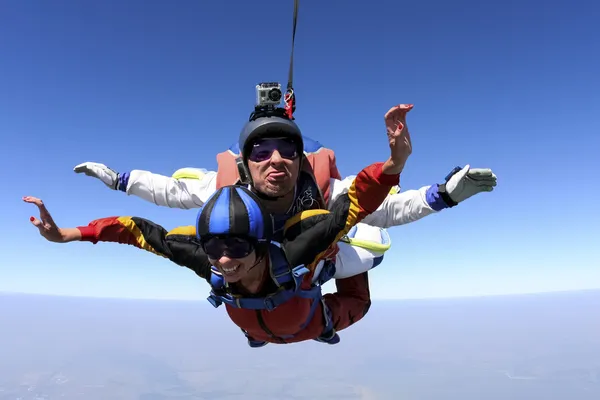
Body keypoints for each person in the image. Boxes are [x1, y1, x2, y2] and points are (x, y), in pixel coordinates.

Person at [23, 112, 411, 346]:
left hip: (310, 320)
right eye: (213, 247)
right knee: (268, 323)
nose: (224, 260)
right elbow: (136, 230)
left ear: (261, 244)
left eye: (238, 248)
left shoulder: (296, 250)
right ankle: (260, 335)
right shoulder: (205, 258)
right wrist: (68, 235)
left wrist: (394, 164)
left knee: (357, 290)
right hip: (268, 322)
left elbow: (355, 202)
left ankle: (313, 329)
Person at [72, 104, 498, 278]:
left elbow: (385, 207)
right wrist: (117, 179)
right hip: (249, 264)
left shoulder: (324, 189)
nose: (274, 159)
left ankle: (327, 302)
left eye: (286, 150)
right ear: (245, 161)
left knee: (374, 250)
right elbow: (168, 191)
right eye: (261, 151)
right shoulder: (227, 190)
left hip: (310, 252)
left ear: (298, 158)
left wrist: (445, 193)